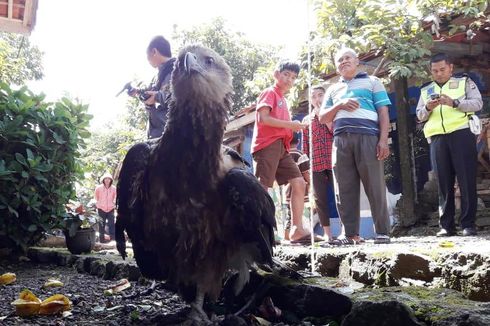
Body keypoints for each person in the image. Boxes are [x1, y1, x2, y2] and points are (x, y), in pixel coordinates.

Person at [319, 47, 392, 245]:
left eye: (347, 58)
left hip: (368, 137)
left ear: (357, 60)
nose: (343, 62)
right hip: (341, 140)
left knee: (375, 186)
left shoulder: (373, 82)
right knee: (343, 189)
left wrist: (383, 140)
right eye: (339, 60)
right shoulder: (333, 89)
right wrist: (340, 105)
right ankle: (350, 234)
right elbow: (322, 117)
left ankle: (383, 232)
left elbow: (383, 113)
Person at [416, 53, 483, 237]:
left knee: (466, 179)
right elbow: (419, 115)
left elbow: (477, 103)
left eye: (442, 69)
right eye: (435, 71)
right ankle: (446, 225)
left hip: (462, 133)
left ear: (451, 68)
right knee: (444, 182)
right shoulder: (426, 90)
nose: (439, 73)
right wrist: (428, 107)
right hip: (437, 138)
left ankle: (468, 224)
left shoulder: (464, 82)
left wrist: (454, 103)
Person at [251, 60, 310, 243]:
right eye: (286, 74)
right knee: (263, 188)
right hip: (266, 144)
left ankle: (297, 230)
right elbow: (264, 118)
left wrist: (293, 128)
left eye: (293, 77)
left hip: (282, 147)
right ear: (276, 74)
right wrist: (291, 125)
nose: (289, 79)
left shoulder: (283, 99)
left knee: (299, 183)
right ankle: (258, 232)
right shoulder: (270, 93)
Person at [302, 85, 334, 242]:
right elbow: (305, 147)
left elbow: (335, 132)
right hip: (316, 164)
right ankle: (328, 234)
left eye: (320, 95)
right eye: (313, 97)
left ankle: (346, 231)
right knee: (320, 200)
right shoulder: (306, 120)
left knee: (341, 197)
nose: (317, 99)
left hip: (334, 161)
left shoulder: (333, 113)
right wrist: (306, 169)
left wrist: (325, 116)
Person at [133, 35, 176, 139]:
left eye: (147, 56)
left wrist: (157, 97)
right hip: (158, 135)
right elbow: (156, 92)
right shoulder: (160, 76)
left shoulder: (178, 71)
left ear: (154, 52)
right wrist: (138, 92)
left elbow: (183, 100)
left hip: (172, 135)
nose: (148, 60)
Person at [283, 133, 311, 242]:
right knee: (300, 214)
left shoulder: (284, 155)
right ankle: (297, 233)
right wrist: (310, 184)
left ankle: (286, 236)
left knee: (289, 215)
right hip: (300, 190)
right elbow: (305, 173)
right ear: (298, 142)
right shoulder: (300, 155)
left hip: (287, 190)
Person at [94, 173, 117, 243]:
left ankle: (113, 240)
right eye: (106, 179)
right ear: (103, 180)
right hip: (101, 208)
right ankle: (101, 241)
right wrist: (98, 204)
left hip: (111, 209)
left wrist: (113, 204)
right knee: (101, 225)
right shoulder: (98, 188)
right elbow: (96, 197)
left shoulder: (114, 188)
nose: (107, 180)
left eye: (109, 179)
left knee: (112, 225)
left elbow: (116, 197)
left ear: (111, 180)